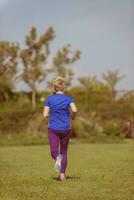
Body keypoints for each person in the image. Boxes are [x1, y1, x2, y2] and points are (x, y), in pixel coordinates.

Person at [43, 77, 77, 181]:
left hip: (53, 129)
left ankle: (58, 159)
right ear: (63, 87)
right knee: (64, 152)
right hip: (66, 129)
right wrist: (72, 117)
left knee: (54, 152)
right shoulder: (68, 98)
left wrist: (50, 113)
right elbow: (75, 109)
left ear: (54, 87)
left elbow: (44, 115)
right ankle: (62, 175)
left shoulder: (49, 99)